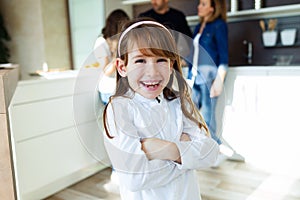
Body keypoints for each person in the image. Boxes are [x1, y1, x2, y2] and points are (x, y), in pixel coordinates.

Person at [102, 19, 219, 200]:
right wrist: (185, 156)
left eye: (161, 60)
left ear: (171, 65)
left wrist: (166, 149)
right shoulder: (119, 110)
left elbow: (211, 153)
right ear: (122, 67)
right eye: (140, 60)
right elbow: (134, 178)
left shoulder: (179, 102)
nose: (153, 72)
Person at [187, 0, 243, 166]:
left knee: (208, 118)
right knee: (190, 115)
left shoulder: (219, 25)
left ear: (213, 8)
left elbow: (223, 57)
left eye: (203, 4)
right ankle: (206, 149)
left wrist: (219, 80)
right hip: (194, 76)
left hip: (209, 77)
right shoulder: (199, 27)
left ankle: (215, 151)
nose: (199, 6)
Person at [94, 9, 130, 105]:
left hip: (123, 89)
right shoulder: (101, 42)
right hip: (109, 89)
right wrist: (117, 55)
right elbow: (106, 71)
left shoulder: (123, 41)